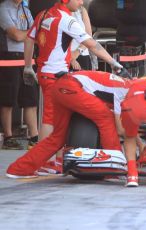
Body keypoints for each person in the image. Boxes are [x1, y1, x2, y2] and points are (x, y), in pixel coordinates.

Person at [23, 0, 122, 141]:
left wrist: (28, 66)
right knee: (50, 119)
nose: (81, 2)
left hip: (45, 73)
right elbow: (92, 44)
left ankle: (56, 159)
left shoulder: (43, 14)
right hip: (55, 76)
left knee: (59, 117)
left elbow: (28, 39)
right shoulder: (66, 19)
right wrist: (112, 62)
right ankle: (44, 159)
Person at [6, 70, 130, 178]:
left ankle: (18, 169)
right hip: (71, 86)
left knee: (57, 138)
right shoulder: (125, 92)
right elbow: (120, 130)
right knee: (106, 118)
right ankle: (114, 167)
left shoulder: (126, 85)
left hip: (61, 86)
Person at [0, 0, 38, 150]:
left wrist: (28, 35)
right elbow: (15, 35)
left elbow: (37, 32)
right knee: (8, 98)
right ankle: (8, 137)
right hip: (9, 56)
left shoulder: (25, 9)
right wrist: (30, 34)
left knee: (31, 98)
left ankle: (34, 137)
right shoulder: (3, 8)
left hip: (27, 57)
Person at [70, 5, 93, 71]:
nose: (81, 2)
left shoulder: (82, 10)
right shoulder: (57, 12)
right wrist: (70, 57)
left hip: (82, 53)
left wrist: (77, 52)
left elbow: (89, 35)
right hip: (63, 58)